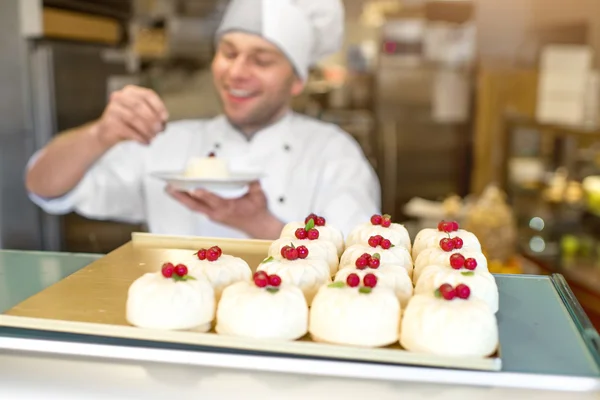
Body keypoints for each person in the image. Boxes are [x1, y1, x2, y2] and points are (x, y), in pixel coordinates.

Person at [25, 0, 381, 240]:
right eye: (228, 53)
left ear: (298, 80)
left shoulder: (332, 154)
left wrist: (259, 224)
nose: (237, 72)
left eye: (261, 60)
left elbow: (360, 261)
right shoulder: (168, 142)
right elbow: (45, 187)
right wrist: (100, 134)